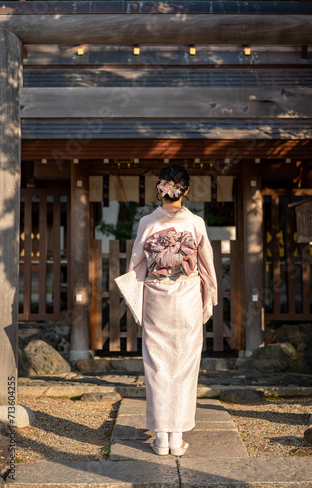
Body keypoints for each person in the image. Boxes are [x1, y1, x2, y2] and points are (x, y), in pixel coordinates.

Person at [115, 164, 217, 456]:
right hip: (186, 296)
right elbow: (207, 263)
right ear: (184, 190)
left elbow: (136, 262)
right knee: (184, 365)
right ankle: (177, 437)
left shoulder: (148, 221)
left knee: (158, 365)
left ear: (161, 188)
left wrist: (139, 286)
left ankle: (161, 438)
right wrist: (207, 291)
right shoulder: (196, 222)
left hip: (157, 296)